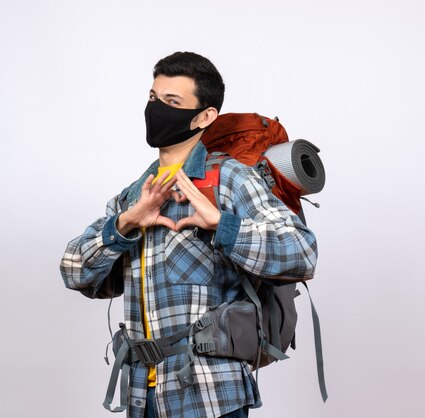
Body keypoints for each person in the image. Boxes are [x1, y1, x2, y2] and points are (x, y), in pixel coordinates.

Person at [60, 51, 318, 418]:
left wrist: (223, 226)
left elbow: (303, 253)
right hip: (140, 394)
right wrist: (124, 225)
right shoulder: (135, 196)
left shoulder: (230, 179)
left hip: (210, 395)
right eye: (153, 98)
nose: (156, 109)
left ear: (205, 116)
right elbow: (73, 272)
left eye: (172, 102)